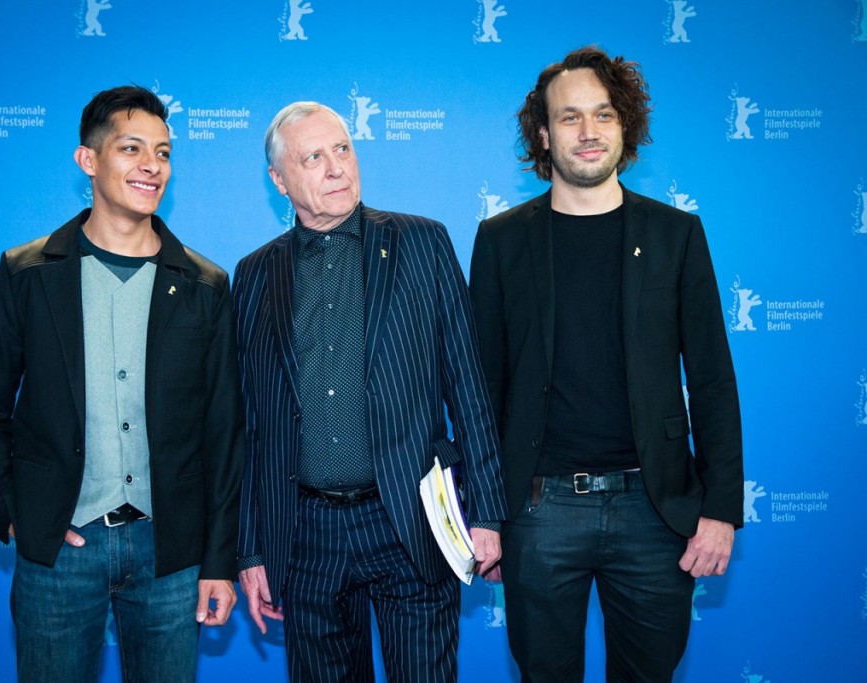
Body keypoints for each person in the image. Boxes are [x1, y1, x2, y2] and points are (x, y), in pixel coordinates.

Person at [469, 47, 743, 682]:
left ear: (626, 126)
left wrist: (721, 508)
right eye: (569, 118)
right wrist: (485, 513)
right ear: (543, 133)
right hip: (539, 512)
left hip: (657, 511)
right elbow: (481, 386)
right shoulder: (502, 240)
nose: (589, 133)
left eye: (604, 115)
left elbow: (711, 379)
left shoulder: (677, 235)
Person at [0, 85, 244, 683]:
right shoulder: (28, 274)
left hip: (171, 556)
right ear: (88, 160)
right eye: (132, 148)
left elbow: (224, 433)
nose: (151, 166)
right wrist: (14, 513)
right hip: (60, 550)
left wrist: (218, 561)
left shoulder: (204, 284)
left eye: (163, 153)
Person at [232, 101, 507, 682]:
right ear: (279, 180)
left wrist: (487, 512)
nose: (336, 167)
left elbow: (468, 386)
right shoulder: (254, 273)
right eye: (313, 157)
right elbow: (249, 425)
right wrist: (252, 550)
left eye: (343, 149)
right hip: (305, 535)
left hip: (409, 520)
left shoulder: (422, 243)